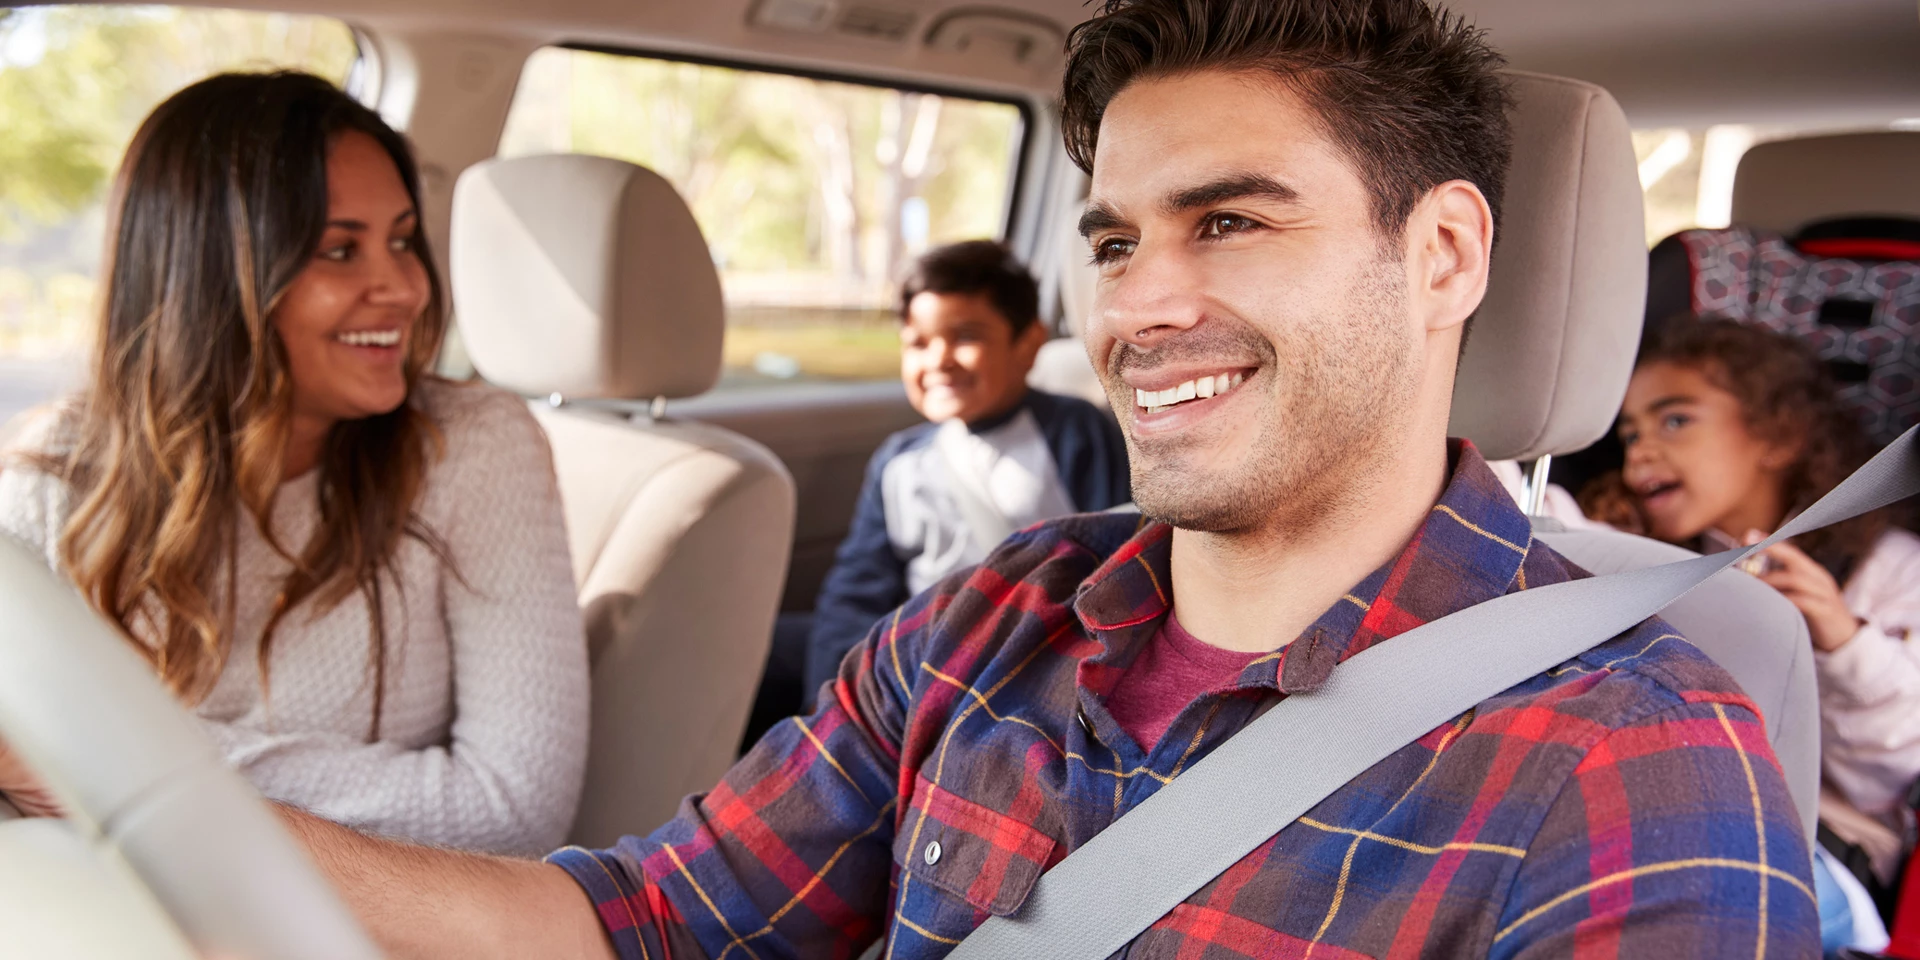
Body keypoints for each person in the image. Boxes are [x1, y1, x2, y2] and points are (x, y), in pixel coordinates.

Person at [3, 3, 1820, 956]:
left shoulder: (1632, 761)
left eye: (1233, 222)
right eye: (1113, 239)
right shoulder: (992, 627)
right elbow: (631, 921)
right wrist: (138, 806)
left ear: (1440, 256)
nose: (1145, 305)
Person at [0, 72, 589, 856]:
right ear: (206, 281)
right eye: (341, 250)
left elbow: (512, 810)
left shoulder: (471, 448)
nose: (406, 287)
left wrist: (119, 766)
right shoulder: (53, 479)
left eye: (404, 240)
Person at [1583, 315, 1915, 956]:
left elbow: (1899, 771)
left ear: (1777, 436)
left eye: (1675, 420)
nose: (1641, 450)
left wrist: (1844, 642)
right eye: (1629, 434)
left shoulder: (1892, 569)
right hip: (1674, 802)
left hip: (1826, 847)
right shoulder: (1645, 560)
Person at [804, 240, 1131, 698]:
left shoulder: (1074, 431)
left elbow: (1118, 558)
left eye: (966, 337)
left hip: (1030, 655)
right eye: (918, 343)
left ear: (1029, 344)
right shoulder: (898, 459)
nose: (938, 360)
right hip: (916, 655)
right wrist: (834, 693)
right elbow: (855, 590)